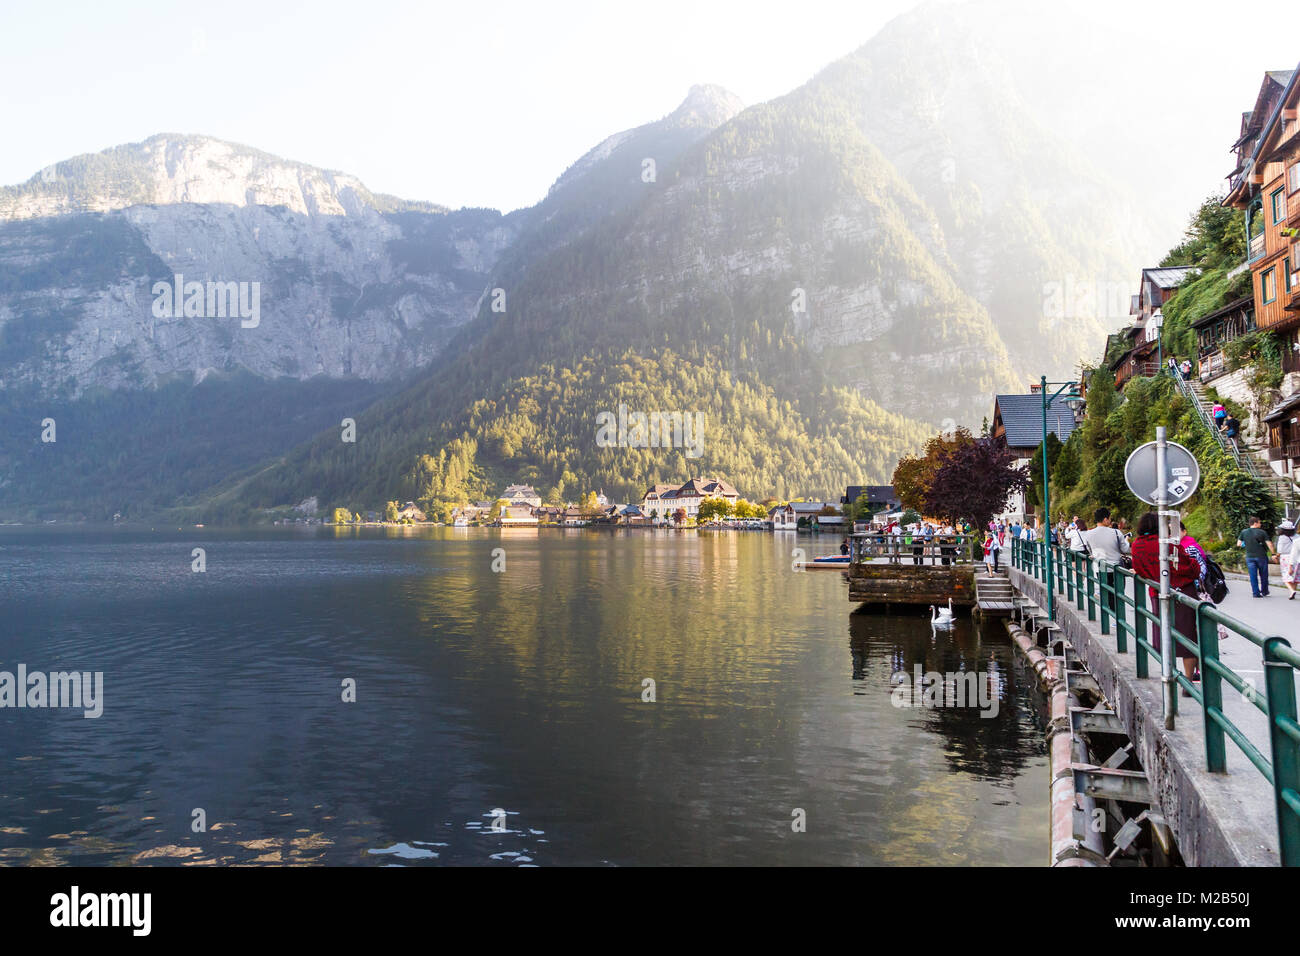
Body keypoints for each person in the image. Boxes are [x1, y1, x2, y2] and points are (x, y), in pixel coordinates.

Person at [1130, 511, 1202, 695]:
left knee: (1165, 636)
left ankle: (1169, 674)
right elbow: (1190, 569)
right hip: (1181, 592)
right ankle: (1187, 680)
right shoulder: (1168, 544)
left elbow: (1139, 569)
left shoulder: (1137, 545)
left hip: (1157, 592)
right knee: (1187, 638)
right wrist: (1194, 562)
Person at [1238, 516, 1275, 597]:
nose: (1260, 524)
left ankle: (1256, 593)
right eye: (1259, 522)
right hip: (1261, 556)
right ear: (1255, 523)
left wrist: (1247, 544)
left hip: (1249, 557)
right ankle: (1264, 591)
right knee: (1264, 575)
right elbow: (1269, 544)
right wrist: (1273, 554)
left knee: (1253, 576)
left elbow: (1239, 544)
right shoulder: (1262, 532)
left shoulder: (1244, 532)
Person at [1277, 520, 1297, 600]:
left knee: (1286, 576)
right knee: (1295, 575)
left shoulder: (1282, 538)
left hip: (1286, 557)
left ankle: (1291, 591)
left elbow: (1280, 550)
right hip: (1296, 557)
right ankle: (1293, 591)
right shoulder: (1297, 536)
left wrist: (1276, 556)